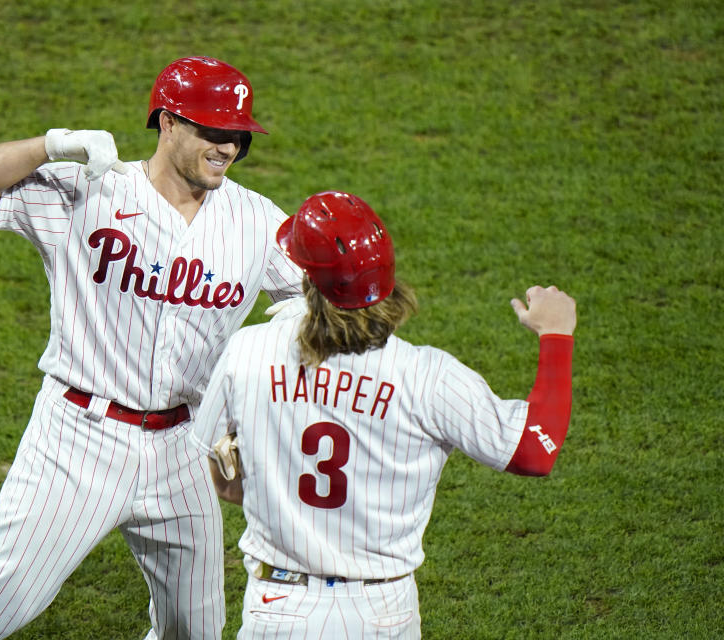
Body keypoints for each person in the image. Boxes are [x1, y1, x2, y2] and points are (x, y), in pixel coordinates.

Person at [0, 56, 303, 640]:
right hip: (79, 441)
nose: (227, 146)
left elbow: (325, 305)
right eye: (212, 130)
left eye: (237, 136)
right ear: (169, 123)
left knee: (193, 632)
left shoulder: (256, 220)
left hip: (185, 449)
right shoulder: (88, 191)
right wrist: (54, 144)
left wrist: (264, 395)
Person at [189, 190, 577, 639]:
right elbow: (534, 451)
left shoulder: (249, 351)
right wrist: (556, 335)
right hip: (381, 612)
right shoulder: (428, 376)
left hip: (280, 607)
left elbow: (223, 478)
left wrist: (277, 491)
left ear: (307, 282)